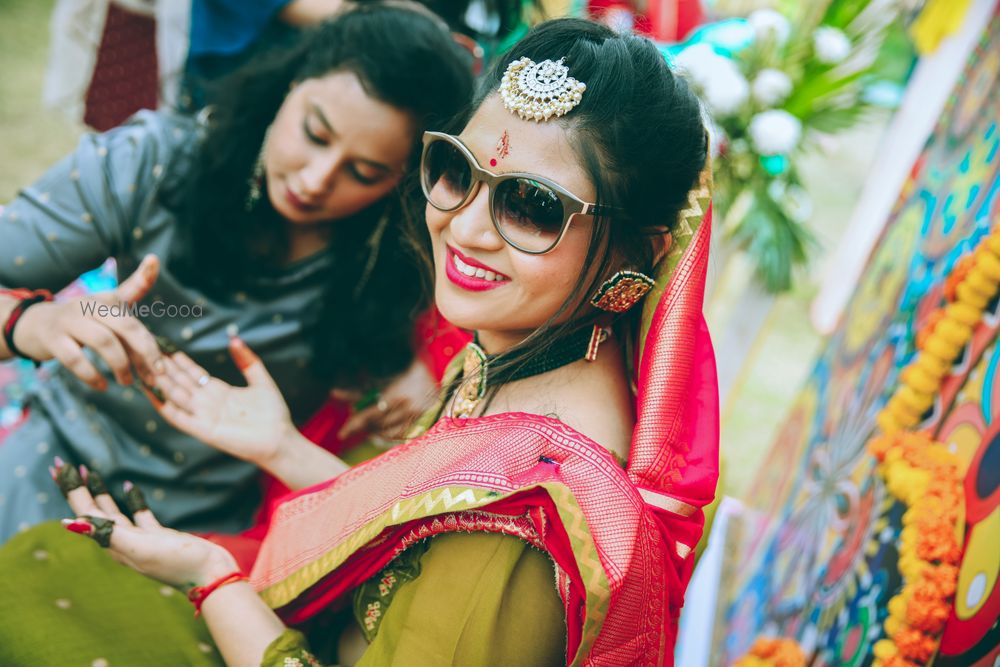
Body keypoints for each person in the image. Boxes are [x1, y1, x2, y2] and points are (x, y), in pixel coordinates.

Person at [0, 16, 717, 666]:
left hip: (217, 540)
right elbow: (413, 528)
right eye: (458, 171)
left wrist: (212, 579)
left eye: (532, 206)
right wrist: (33, 323)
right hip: (73, 468)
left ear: (637, 251)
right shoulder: (521, 350)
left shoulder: (537, 507)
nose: (466, 228)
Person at [0, 2, 474, 542]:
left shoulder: (406, 250)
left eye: (364, 173)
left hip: (210, 532)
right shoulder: (152, 161)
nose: (316, 180)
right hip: (54, 464)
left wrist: (407, 374)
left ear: (404, 185)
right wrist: (33, 324)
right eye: (315, 135)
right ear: (288, 85)